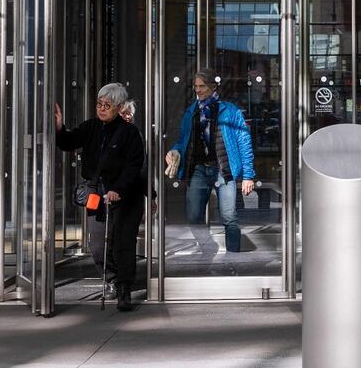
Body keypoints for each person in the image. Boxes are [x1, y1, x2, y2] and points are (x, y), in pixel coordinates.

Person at [55, 83, 145, 312]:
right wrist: (59, 128)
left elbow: (134, 166)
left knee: (123, 243)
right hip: (98, 194)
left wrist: (119, 189)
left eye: (107, 105)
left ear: (119, 107)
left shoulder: (129, 132)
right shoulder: (91, 127)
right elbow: (69, 141)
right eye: (99, 103)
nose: (102, 108)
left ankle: (124, 288)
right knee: (97, 244)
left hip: (125, 195)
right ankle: (113, 279)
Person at [166, 68, 255, 253]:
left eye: (202, 86)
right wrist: (174, 151)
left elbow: (244, 142)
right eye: (195, 86)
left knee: (229, 218)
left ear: (213, 87)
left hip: (223, 170)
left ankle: (234, 258)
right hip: (198, 169)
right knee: (193, 216)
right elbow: (183, 140)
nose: (198, 90)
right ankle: (208, 248)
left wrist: (248, 175)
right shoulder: (192, 112)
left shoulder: (230, 111)